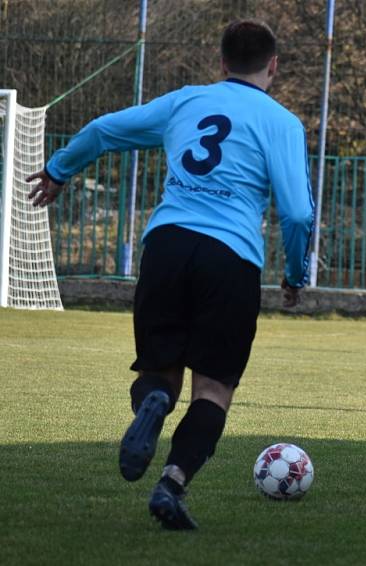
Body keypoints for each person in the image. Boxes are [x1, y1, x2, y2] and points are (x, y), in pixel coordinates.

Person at [26, 20, 314, 529]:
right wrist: (294, 273)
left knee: (158, 373)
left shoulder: (186, 101)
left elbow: (101, 130)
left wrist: (58, 170)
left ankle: (154, 402)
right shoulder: (281, 122)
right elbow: (295, 213)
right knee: (213, 390)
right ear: (273, 65)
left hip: (166, 245)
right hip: (230, 259)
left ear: (220, 62)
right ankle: (171, 483)